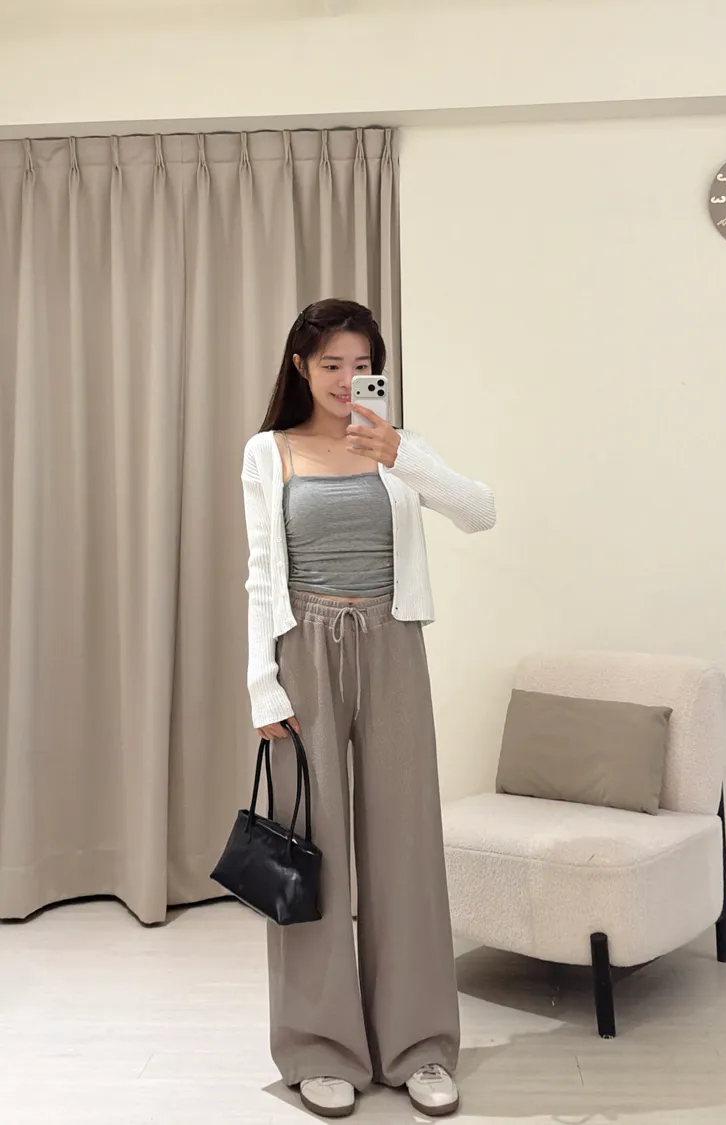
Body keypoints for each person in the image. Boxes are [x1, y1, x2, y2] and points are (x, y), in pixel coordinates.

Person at [241, 298, 495, 1119]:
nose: (348, 380)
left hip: (392, 644)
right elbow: (259, 573)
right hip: (302, 652)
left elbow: (480, 511)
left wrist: (403, 457)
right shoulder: (269, 451)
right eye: (331, 365)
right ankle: (320, 1047)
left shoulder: (398, 446)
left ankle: (419, 1045)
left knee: (405, 844)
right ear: (300, 367)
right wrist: (261, 682)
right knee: (310, 849)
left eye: (362, 365)